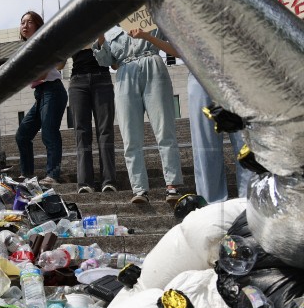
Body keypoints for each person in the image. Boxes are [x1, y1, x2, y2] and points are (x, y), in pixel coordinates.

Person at [93, 27, 183, 204]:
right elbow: (105, 61)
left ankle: (172, 184)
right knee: (129, 136)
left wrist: (146, 35)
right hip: (125, 72)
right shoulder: (111, 28)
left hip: (153, 64)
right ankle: (139, 188)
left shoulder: (150, 15)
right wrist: (100, 34)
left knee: (164, 129)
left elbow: (173, 44)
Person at [14, 11, 68, 187]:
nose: (25, 25)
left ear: (38, 25)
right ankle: (27, 174)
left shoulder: (43, 43)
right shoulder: (25, 49)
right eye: (22, 22)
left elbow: (47, 71)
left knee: (49, 133)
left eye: (30, 22)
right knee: (22, 135)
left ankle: (53, 174)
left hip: (53, 90)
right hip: (40, 93)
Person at [187, 74, 250, 203]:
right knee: (205, 148)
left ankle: (251, 202)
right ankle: (210, 204)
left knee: (246, 143)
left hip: (236, 69)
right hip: (199, 70)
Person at [68, 45, 117, 193]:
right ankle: (84, 183)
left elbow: (114, 63)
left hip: (102, 77)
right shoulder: (69, 28)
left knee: (105, 130)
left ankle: (109, 181)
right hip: (78, 81)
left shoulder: (101, 24)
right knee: (81, 132)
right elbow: (59, 64)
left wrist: (101, 42)